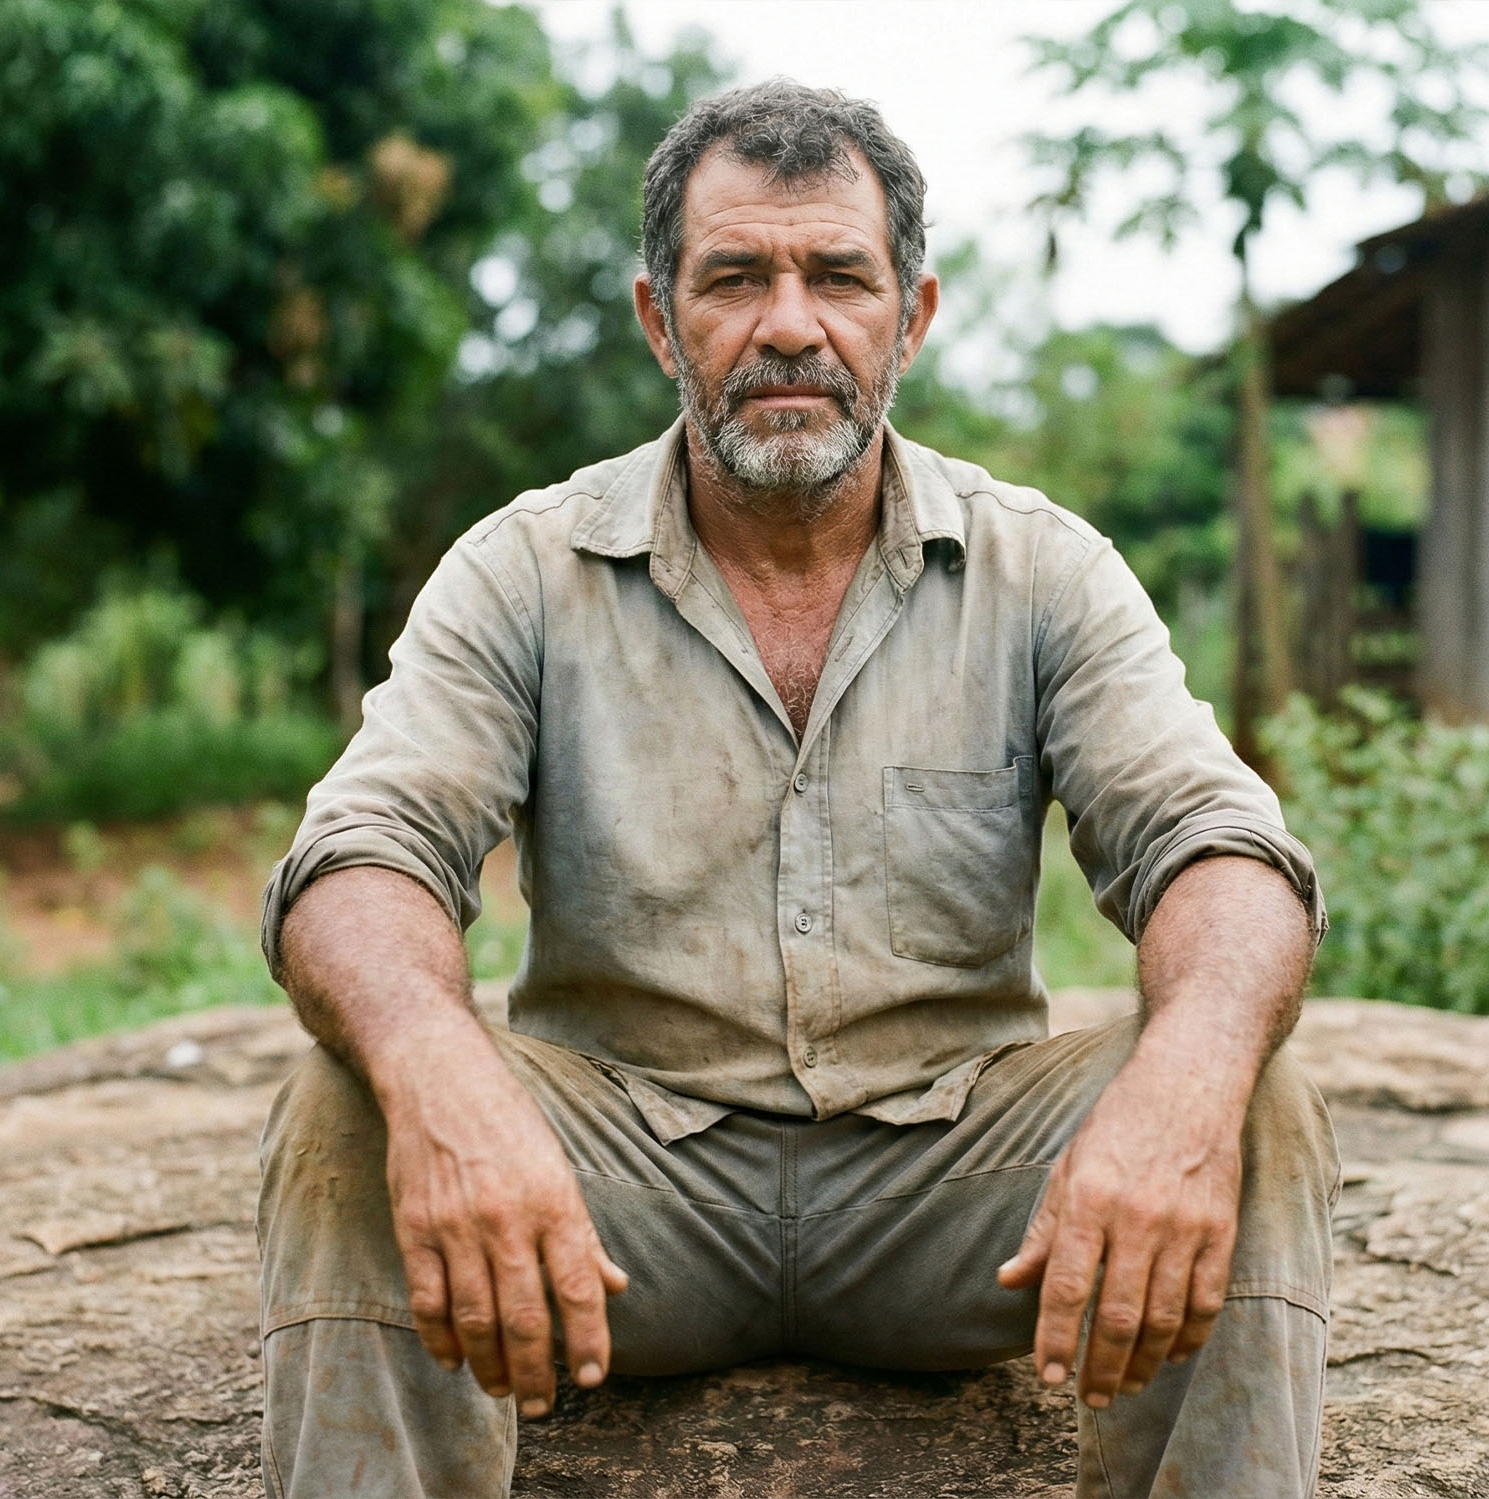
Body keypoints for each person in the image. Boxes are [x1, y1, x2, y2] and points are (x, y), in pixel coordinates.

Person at [256, 80, 1338, 1499]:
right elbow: (360, 855)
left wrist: (1184, 1082)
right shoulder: (525, 569)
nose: (788, 324)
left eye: (839, 277)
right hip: (616, 1193)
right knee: (348, 1110)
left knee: (1254, 1105)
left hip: (956, 1194)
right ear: (661, 319)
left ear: (913, 317)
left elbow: (1220, 848)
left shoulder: (1041, 570)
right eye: (734, 279)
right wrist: (444, 1078)